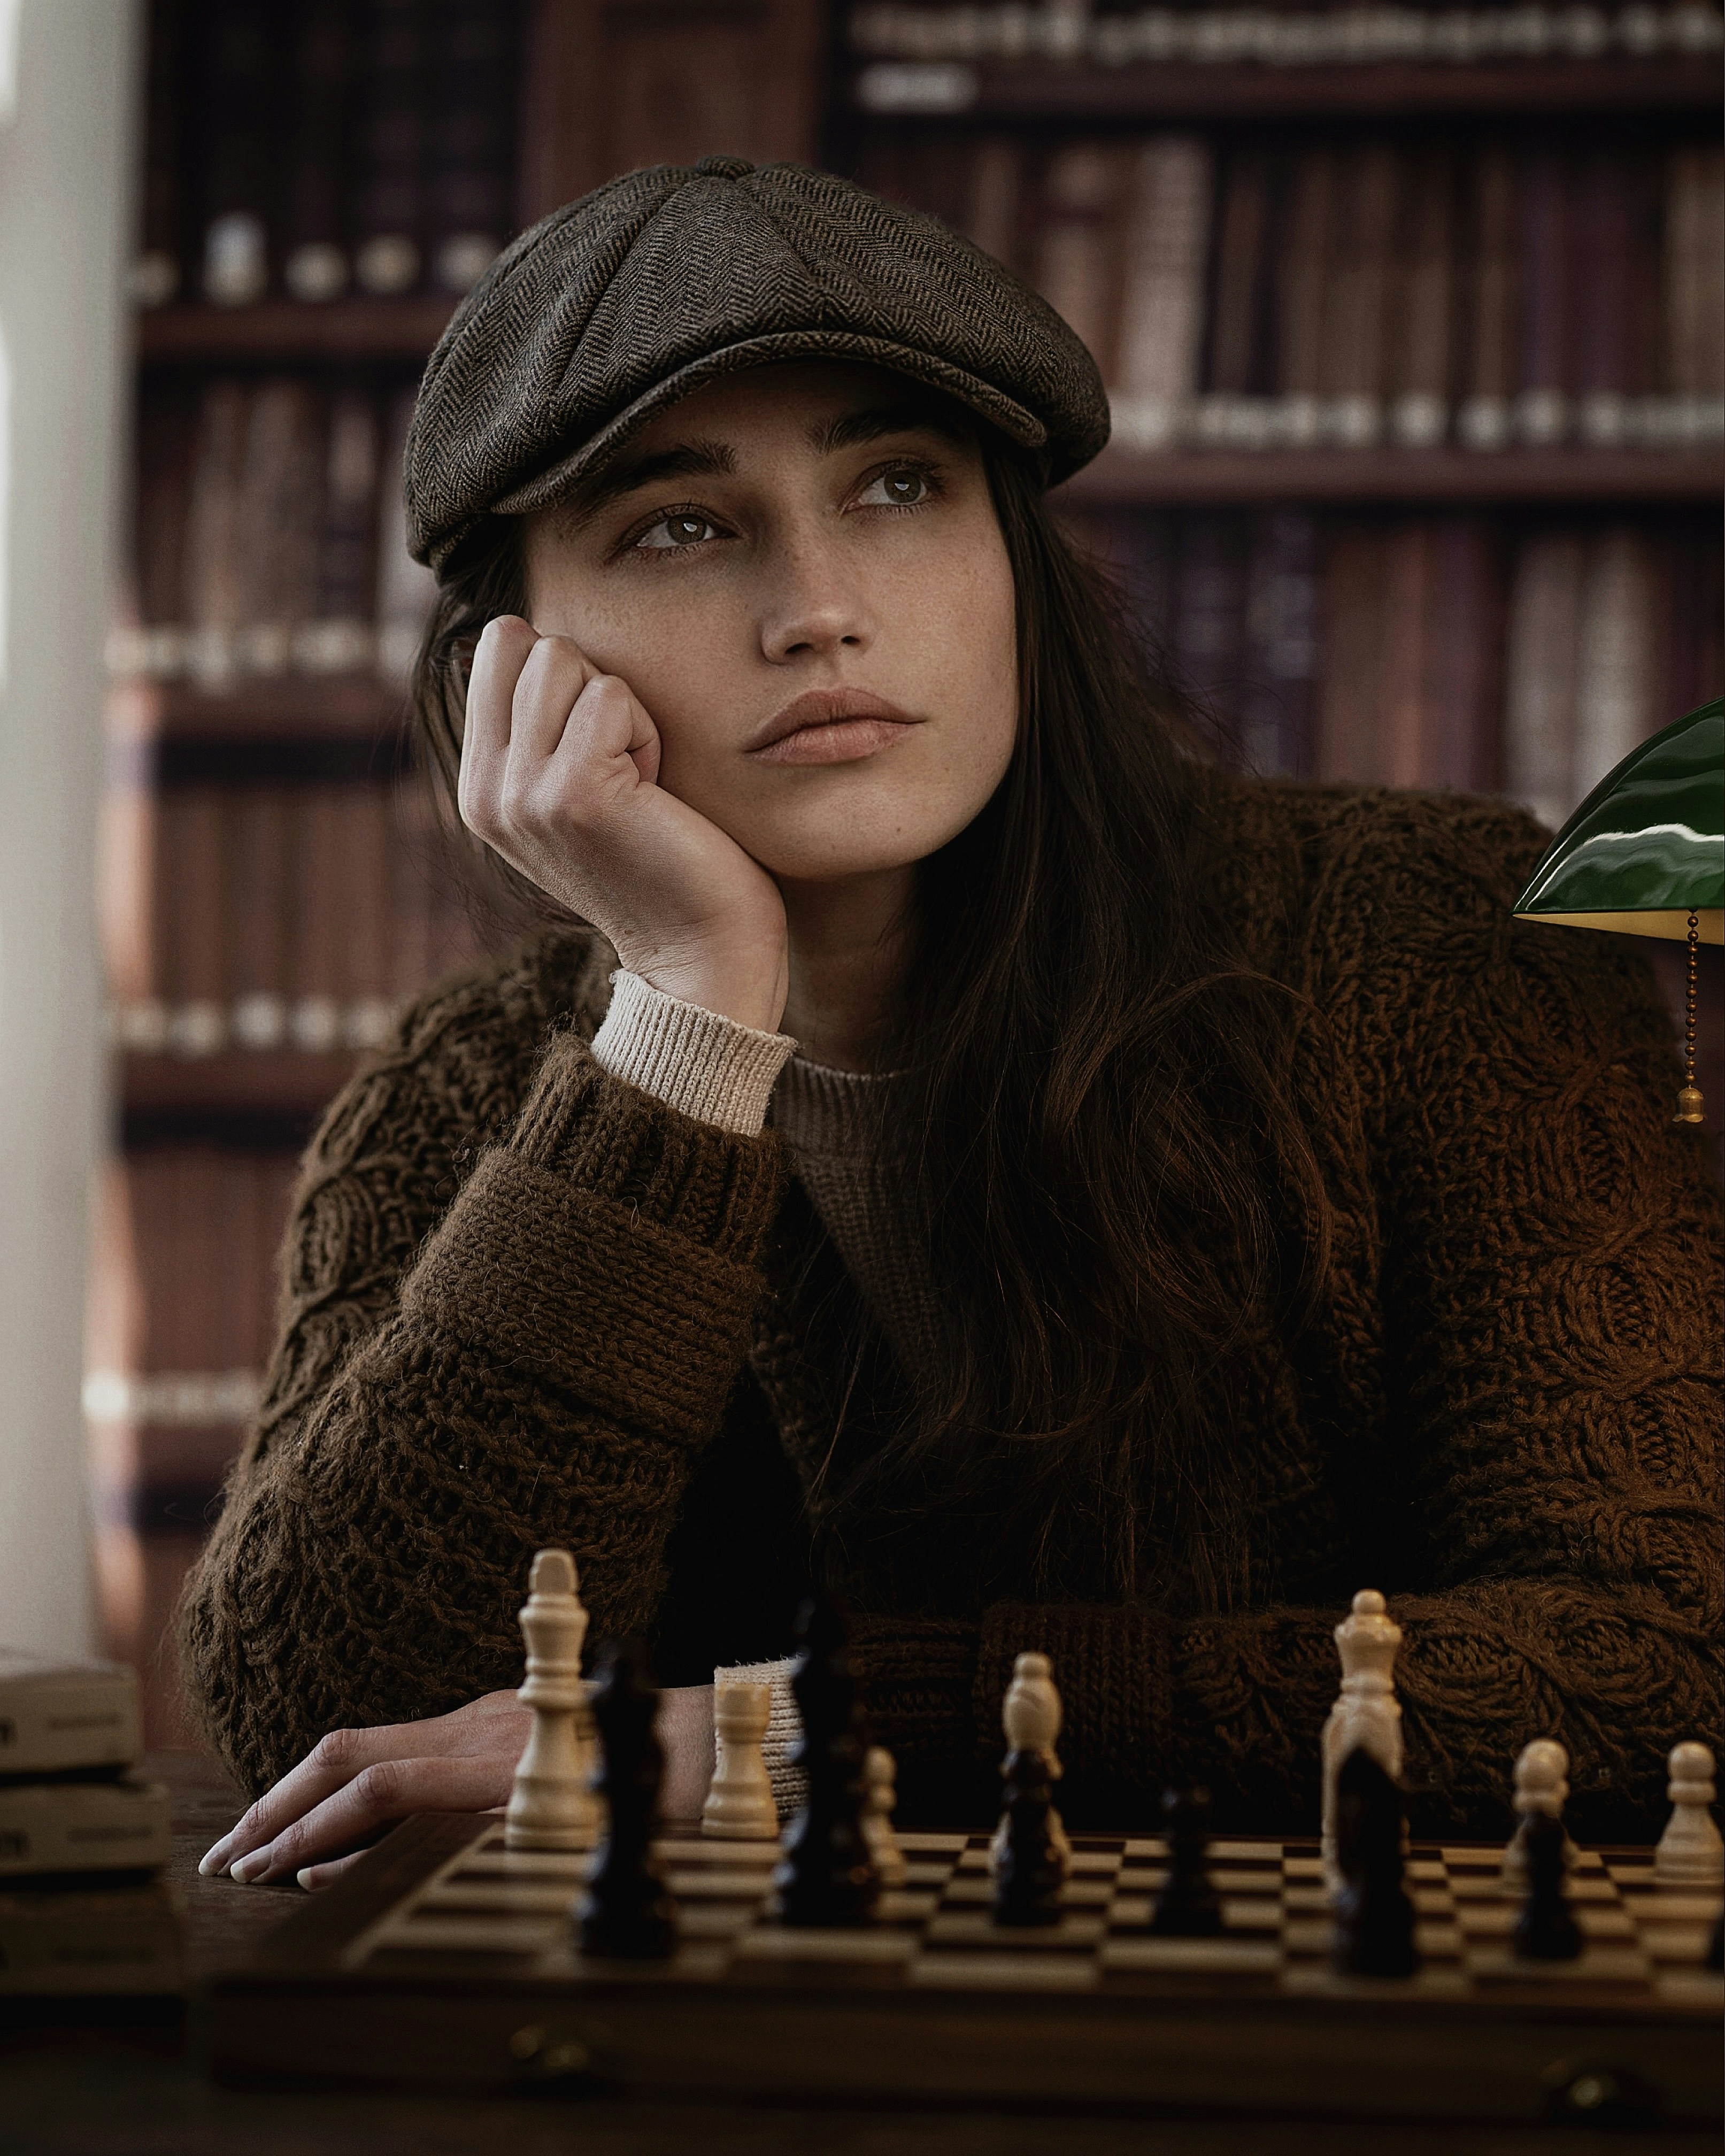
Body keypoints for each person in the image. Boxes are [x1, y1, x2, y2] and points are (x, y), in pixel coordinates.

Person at [186, 158, 1721, 1894]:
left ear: (1016, 560)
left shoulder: (1433, 943)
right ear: (512, 670)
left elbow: (1658, 1661)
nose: (819, 605)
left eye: (899, 486)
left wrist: (820, 1727)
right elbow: (332, 1722)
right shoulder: (470, 1091)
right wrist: (684, 1022)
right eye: (679, 525)